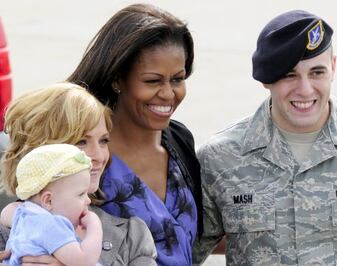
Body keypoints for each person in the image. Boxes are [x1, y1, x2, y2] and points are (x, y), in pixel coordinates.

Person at [192, 10, 337, 266]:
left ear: (333, 67)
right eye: (289, 75)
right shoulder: (219, 159)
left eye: (317, 72)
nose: (305, 89)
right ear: (266, 79)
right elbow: (181, 254)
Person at [68, 4, 202, 266]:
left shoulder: (179, 140)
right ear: (117, 79)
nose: (168, 94)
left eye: (177, 79)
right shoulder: (79, 152)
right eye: (153, 81)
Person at [0, 82, 156, 265]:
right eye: (81, 142)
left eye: (104, 141)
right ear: (41, 151)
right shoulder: (6, 229)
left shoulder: (132, 236)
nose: (98, 155)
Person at [2, 144, 102, 266]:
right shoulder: (51, 224)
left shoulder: (24, 215)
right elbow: (84, 261)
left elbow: (5, 213)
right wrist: (95, 226)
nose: (88, 200)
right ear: (48, 201)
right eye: (81, 194)